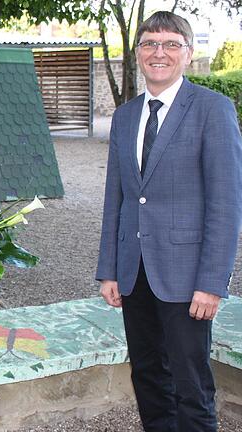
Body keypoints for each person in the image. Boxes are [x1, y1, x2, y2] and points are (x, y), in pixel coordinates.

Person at [96, 11, 242, 432]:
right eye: (150, 44)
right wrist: (109, 268)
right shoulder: (125, 117)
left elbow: (226, 203)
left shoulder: (212, 109)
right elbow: (117, 199)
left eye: (171, 44)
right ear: (138, 53)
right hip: (134, 272)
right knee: (148, 377)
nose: (159, 52)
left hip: (187, 277)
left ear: (188, 53)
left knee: (191, 385)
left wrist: (212, 282)